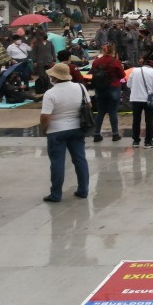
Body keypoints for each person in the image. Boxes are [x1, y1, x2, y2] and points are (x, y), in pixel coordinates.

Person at [39, 63, 90, 202]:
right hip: (77, 128)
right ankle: (83, 190)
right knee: (80, 159)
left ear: (55, 77)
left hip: (56, 130)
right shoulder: (80, 87)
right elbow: (89, 105)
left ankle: (56, 194)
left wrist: (44, 129)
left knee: (57, 162)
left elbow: (45, 116)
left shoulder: (51, 93)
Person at [91, 42, 125, 143]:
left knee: (100, 112)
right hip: (113, 88)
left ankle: (97, 134)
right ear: (112, 51)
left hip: (100, 88)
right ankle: (115, 134)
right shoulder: (115, 62)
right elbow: (122, 75)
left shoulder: (96, 61)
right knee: (113, 112)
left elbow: (93, 72)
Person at [126, 59, 153, 148]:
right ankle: (148, 141)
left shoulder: (134, 71)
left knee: (136, 120)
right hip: (150, 98)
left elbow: (128, 85)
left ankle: (136, 141)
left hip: (135, 98)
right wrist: (150, 91)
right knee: (149, 120)